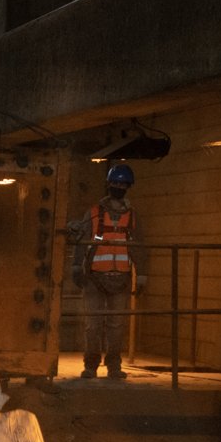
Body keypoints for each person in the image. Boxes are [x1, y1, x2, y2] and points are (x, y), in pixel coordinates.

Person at [70, 163, 148, 380]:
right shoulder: (94, 214)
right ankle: (91, 366)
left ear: (128, 187)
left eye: (122, 184)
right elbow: (81, 241)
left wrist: (141, 275)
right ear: (108, 184)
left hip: (121, 278)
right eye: (115, 183)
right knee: (93, 325)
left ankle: (114, 366)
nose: (118, 186)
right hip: (95, 277)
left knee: (116, 325)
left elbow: (139, 247)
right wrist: (77, 266)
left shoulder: (132, 216)